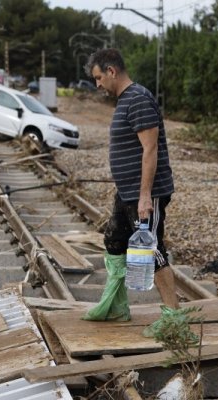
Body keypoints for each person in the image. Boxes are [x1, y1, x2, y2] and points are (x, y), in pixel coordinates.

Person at [82, 48, 179, 322]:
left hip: (144, 194)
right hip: (127, 191)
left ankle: (173, 316)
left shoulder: (137, 99)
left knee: (153, 250)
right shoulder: (125, 100)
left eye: (99, 77)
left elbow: (150, 149)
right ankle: (116, 307)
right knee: (114, 241)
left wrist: (145, 195)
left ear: (112, 71)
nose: (98, 84)